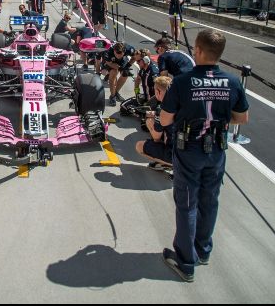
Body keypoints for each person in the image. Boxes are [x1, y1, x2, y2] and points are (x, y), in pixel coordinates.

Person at [159, 29, 250, 282]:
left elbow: (165, 119)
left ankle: (186, 262)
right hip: (217, 150)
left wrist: (186, 116)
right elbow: (242, 118)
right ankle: (203, 250)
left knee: (187, 203)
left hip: (189, 149)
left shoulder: (181, 82)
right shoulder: (232, 82)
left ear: (197, 51)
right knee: (210, 201)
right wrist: (218, 118)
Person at [134, 75, 174, 170]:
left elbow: (156, 136)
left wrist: (149, 120)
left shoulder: (162, 109)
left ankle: (172, 165)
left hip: (176, 154)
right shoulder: (181, 103)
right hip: (193, 151)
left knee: (139, 146)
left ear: (158, 91)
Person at [102, 42, 139, 107]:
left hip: (122, 60)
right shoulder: (108, 51)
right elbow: (109, 63)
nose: (119, 56)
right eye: (117, 54)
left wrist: (127, 66)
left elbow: (134, 57)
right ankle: (112, 96)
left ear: (124, 51)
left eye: (121, 54)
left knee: (125, 73)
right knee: (113, 73)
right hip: (111, 62)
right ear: (114, 51)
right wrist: (119, 68)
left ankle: (116, 92)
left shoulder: (129, 49)